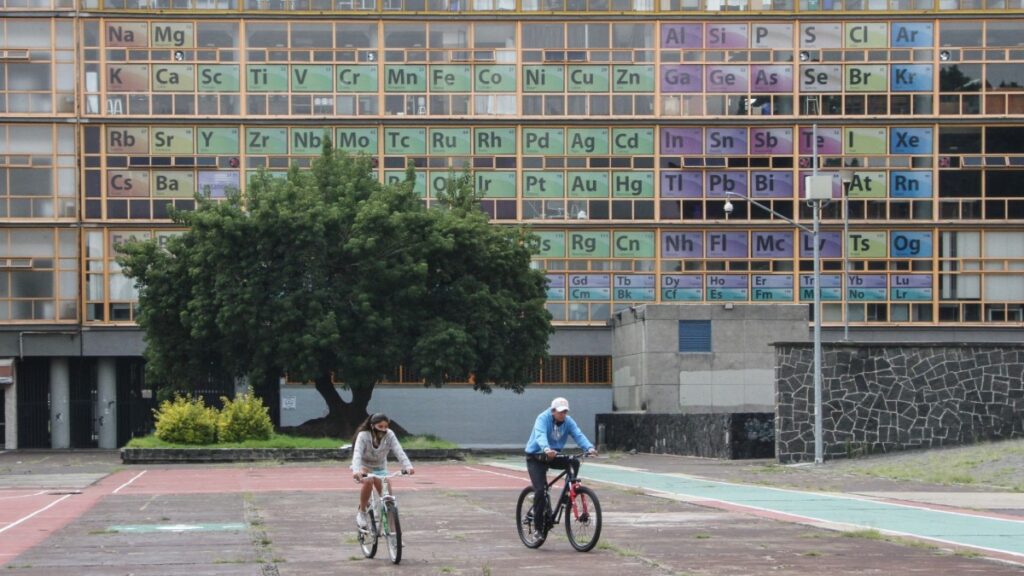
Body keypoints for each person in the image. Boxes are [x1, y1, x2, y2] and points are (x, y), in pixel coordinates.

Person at [523, 397, 597, 537]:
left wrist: (589, 448)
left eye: (565, 412)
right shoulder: (543, 418)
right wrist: (546, 448)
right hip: (536, 457)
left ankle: (569, 493)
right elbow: (540, 435)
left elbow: (578, 434)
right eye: (560, 412)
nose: (563, 415)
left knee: (574, 462)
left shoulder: (568, 422)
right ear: (553, 411)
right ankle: (539, 528)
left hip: (553, 455)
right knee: (540, 490)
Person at [350, 413, 415, 529]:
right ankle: (362, 511)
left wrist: (408, 466)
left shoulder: (390, 435)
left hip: (380, 468)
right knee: (369, 481)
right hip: (363, 466)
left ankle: (393, 533)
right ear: (372, 426)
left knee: (388, 498)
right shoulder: (363, 435)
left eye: (386, 427)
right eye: (380, 426)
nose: (384, 430)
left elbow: (398, 450)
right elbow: (357, 453)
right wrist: (356, 471)